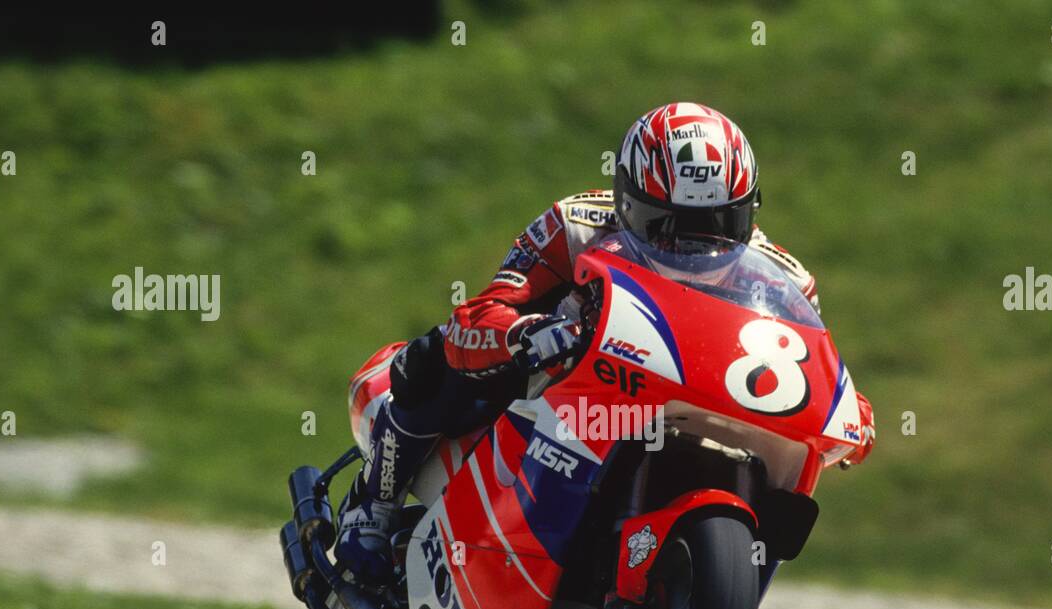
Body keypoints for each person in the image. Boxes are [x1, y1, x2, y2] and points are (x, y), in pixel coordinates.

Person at [335, 102, 875, 583]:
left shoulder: (783, 278)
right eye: (670, 225)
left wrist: (848, 411)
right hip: (567, 397)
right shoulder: (577, 224)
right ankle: (374, 506)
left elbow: (804, 368)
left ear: (749, 211)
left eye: (720, 223)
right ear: (627, 200)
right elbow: (481, 312)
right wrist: (525, 332)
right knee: (432, 358)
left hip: (686, 408)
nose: (694, 247)